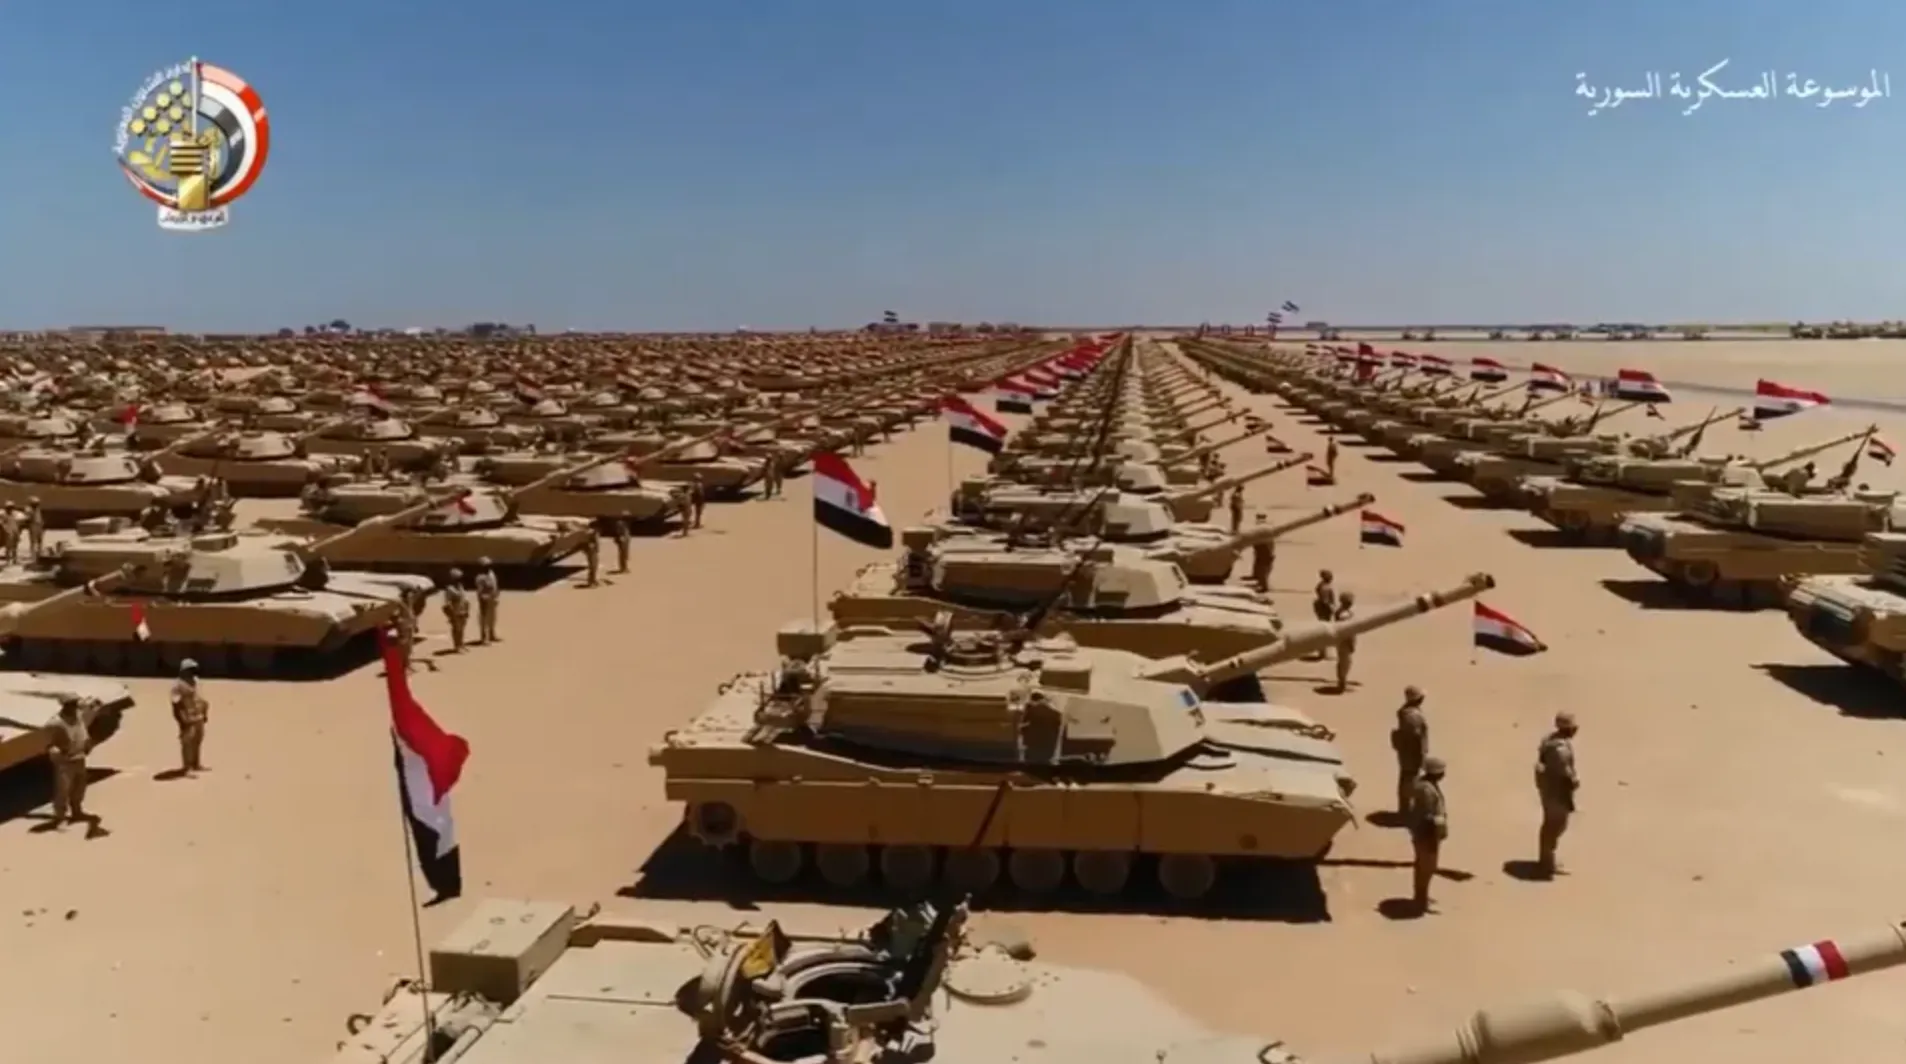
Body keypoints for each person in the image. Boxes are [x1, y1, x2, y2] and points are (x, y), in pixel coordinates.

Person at [1534, 711, 1580, 878]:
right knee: (1556, 825)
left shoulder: (1551, 740)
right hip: (1556, 792)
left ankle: (1546, 859)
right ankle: (1547, 863)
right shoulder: (1559, 749)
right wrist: (1574, 781)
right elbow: (1564, 772)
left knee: (1551, 825)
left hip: (1549, 790)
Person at [47, 696, 99, 826]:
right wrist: (56, 752)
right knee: (63, 789)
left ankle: (77, 811)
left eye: (75, 704)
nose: (75, 707)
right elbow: (49, 742)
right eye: (72, 704)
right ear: (65, 706)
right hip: (65, 761)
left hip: (79, 757)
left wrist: (88, 744)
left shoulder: (78, 716)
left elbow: (85, 726)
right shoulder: (55, 723)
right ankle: (60, 816)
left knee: (80, 787)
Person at [1407, 756, 1449, 913]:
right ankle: (1420, 899)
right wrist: (1439, 828)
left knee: (1424, 866)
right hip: (1427, 833)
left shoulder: (1424, 785)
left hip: (1423, 832)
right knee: (1426, 867)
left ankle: (1421, 896)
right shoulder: (1427, 790)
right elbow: (1427, 814)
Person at [1391, 686, 1428, 816]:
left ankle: (1405, 807)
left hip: (1405, 751)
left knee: (1406, 778)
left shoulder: (1406, 711)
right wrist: (1421, 756)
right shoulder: (1413, 716)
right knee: (1410, 779)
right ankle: (1406, 809)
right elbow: (1416, 737)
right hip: (1412, 753)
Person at [171, 659, 208, 775]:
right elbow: (176, 704)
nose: (193, 672)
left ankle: (196, 764)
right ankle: (187, 768)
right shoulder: (178, 685)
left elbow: (202, 699)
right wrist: (181, 719)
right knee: (187, 743)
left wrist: (205, 713)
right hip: (187, 718)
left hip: (199, 716)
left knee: (197, 741)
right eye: (190, 669)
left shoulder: (196, 681)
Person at [1308, 570, 1336, 660]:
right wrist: (1333, 609)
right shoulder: (1326, 588)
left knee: (1322, 629)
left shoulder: (1321, 585)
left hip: (1320, 608)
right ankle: (1323, 653)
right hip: (1324, 610)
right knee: (1325, 630)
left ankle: (1322, 652)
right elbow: (1325, 601)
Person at [1332, 591, 1358, 691]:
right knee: (1345, 663)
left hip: (1340, 640)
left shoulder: (1340, 611)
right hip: (1345, 641)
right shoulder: (1345, 615)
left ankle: (1342, 681)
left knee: (1343, 662)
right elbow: (1348, 630)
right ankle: (1342, 683)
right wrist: (1351, 643)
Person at [440, 568, 470, 652]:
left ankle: (461, 644)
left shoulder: (461, 587)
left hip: (463, 610)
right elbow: (447, 603)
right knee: (456, 629)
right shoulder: (450, 589)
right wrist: (451, 614)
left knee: (462, 629)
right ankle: (457, 646)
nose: (460, 580)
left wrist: (467, 610)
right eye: (458, 578)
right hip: (455, 611)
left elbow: (464, 598)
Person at [474, 558, 501, 644]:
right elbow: (480, 590)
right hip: (485, 598)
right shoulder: (480, 577)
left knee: (492, 618)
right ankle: (484, 637)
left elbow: (495, 585)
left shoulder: (491, 573)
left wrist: (496, 594)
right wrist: (482, 600)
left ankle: (492, 634)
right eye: (486, 565)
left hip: (493, 598)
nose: (488, 567)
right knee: (484, 619)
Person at [1248, 514, 1275, 592]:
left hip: (1265, 554)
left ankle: (1264, 587)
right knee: (1261, 570)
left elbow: (1269, 545)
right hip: (1263, 553)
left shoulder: (1265, 532)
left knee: (1263, 570)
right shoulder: (1265, 530)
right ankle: (1261, 583)